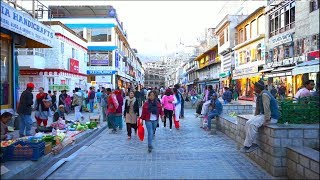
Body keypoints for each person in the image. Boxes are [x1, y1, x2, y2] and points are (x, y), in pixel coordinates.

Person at [240, 80, 280, 153]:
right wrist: (255, 117)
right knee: (248, 122)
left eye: (255, 87)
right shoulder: (260, 95)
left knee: (252, 125)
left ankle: (247, 146)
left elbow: (266, 108)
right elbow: (258, 109)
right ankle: (253, 143)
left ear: (258, 88)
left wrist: (267, 120)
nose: (254, 89)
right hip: (262, 115)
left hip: (271, 117)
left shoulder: (264, 94)